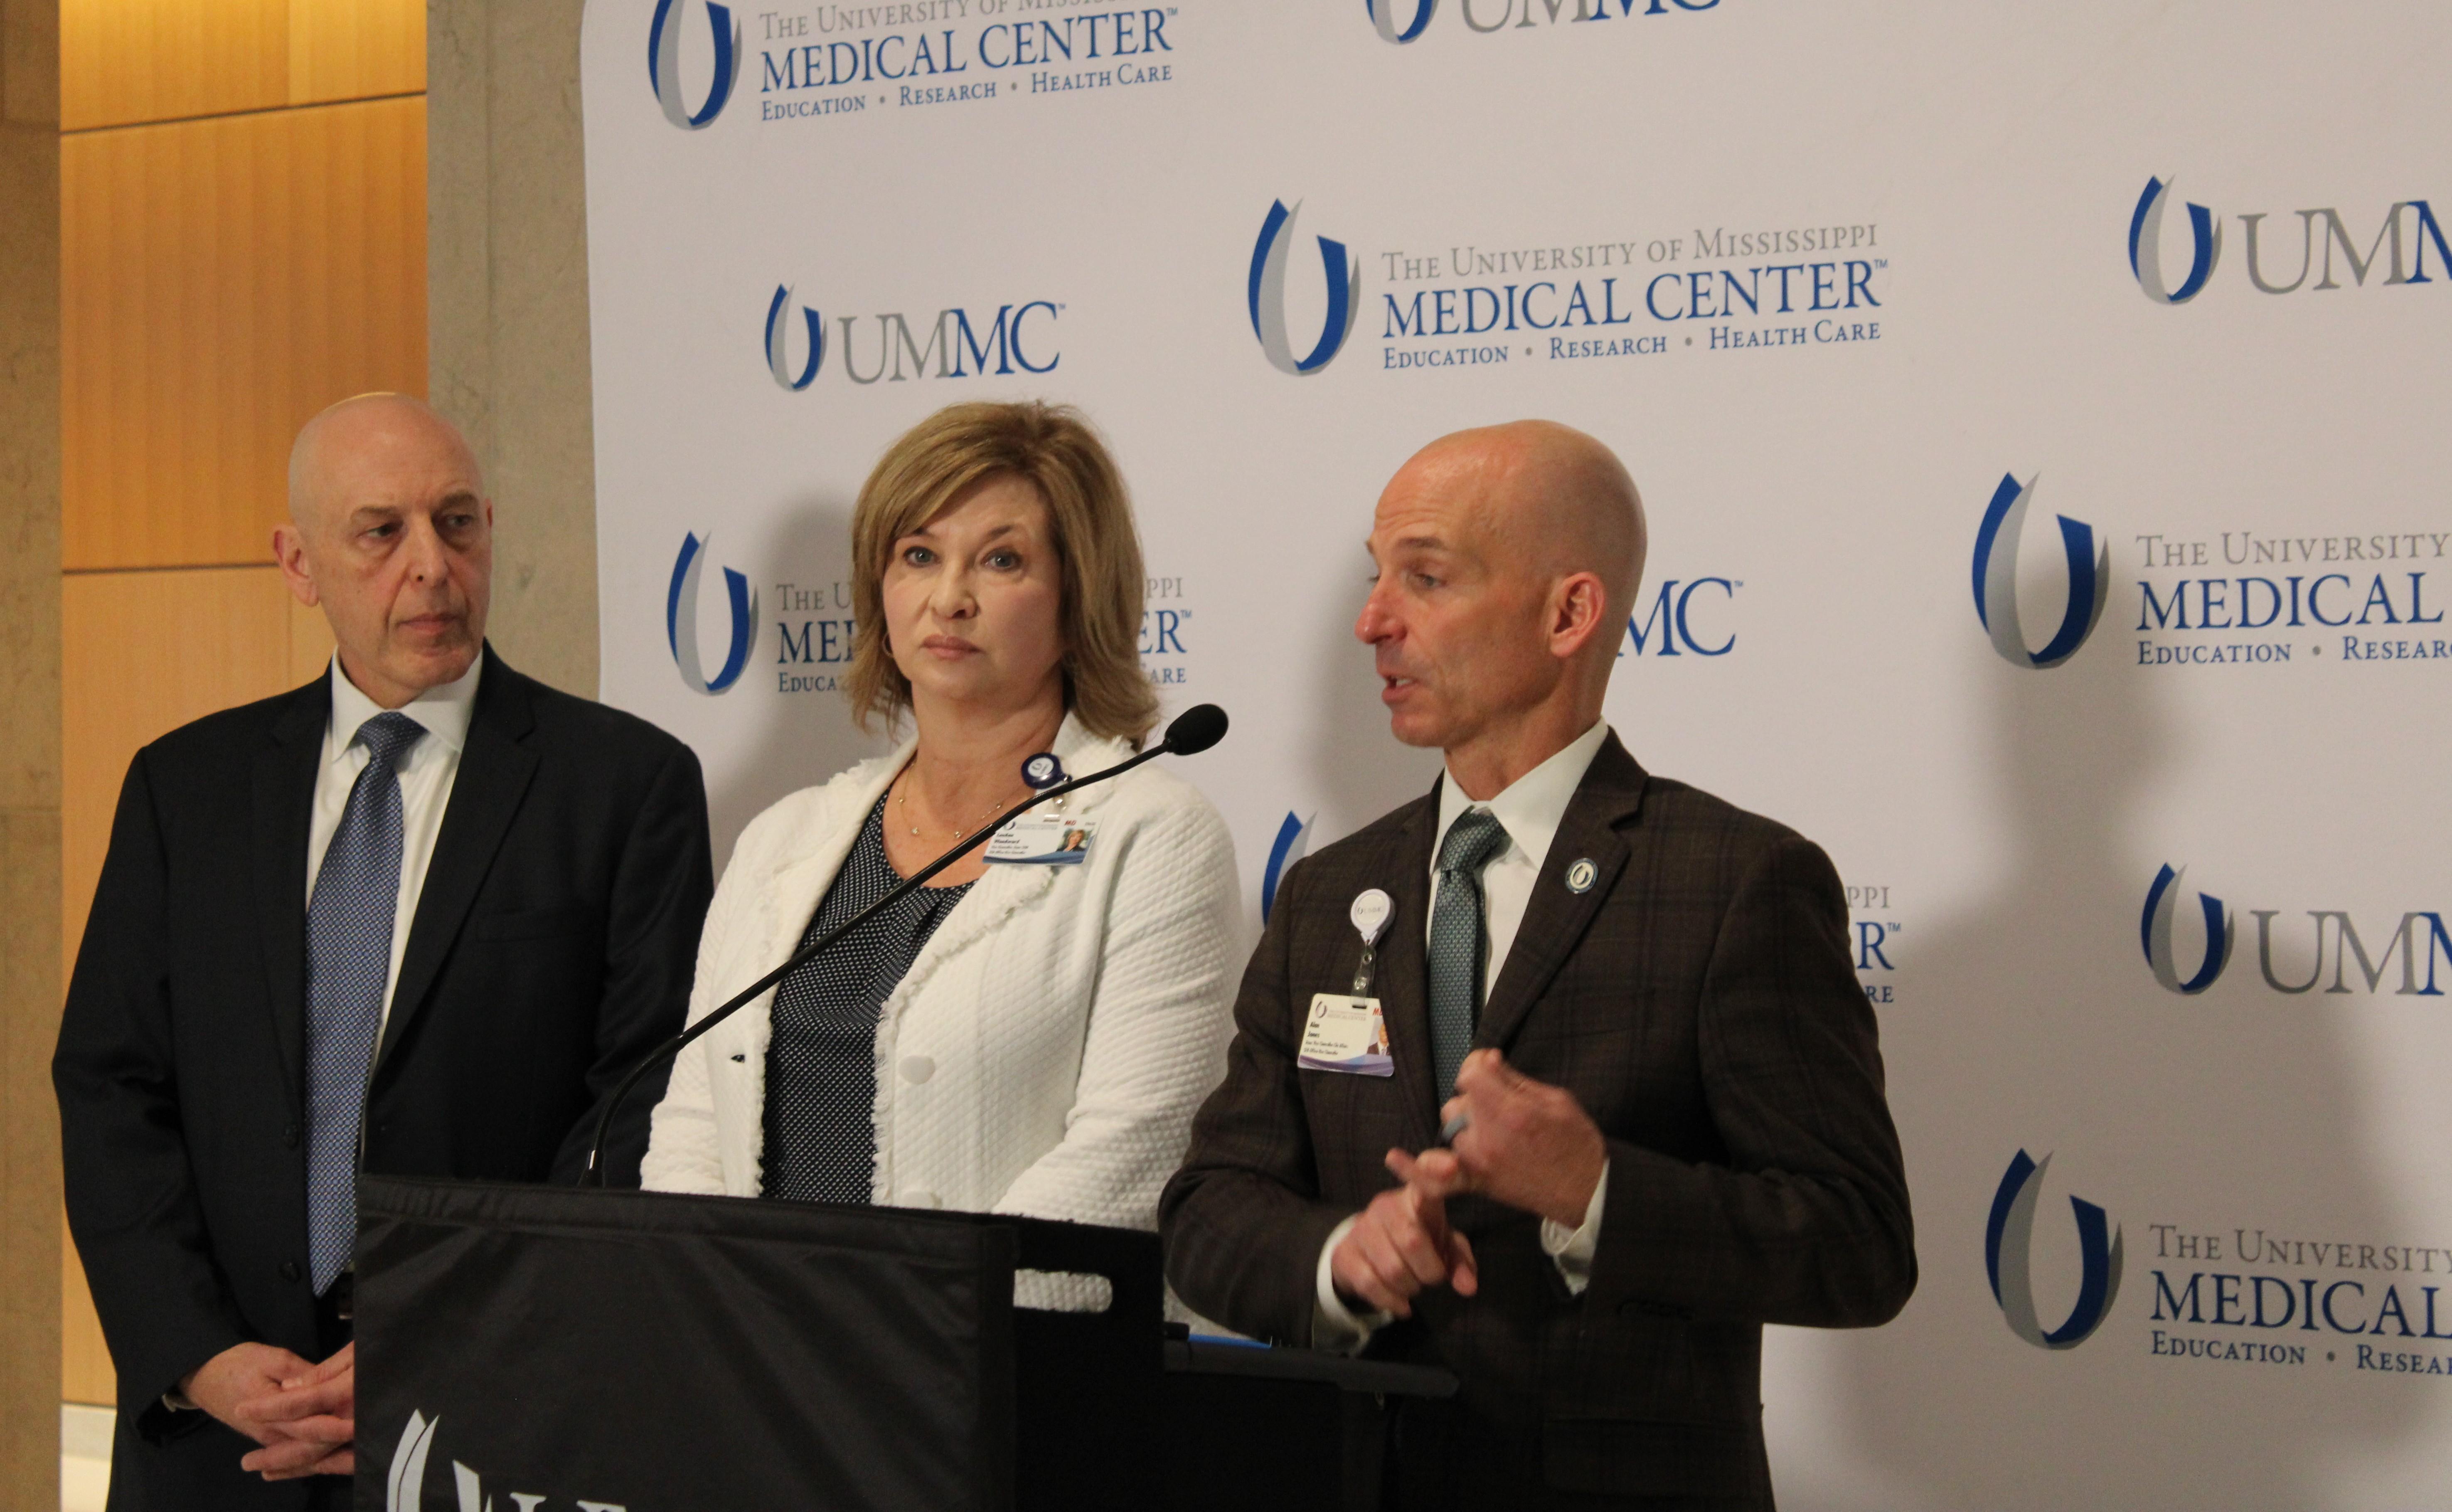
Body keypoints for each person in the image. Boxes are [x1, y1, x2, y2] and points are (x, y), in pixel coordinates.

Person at [1160, 421, 1914, 1510]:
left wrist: (1599, 1190)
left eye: (1424, 578)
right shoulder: (1329, 892)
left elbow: (1857, 1243)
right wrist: (1341, 1255)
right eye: (1377, 580)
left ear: (1567, 612)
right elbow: (1209, 1208)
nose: (1372, 622)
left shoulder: (1737, 884)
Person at [54, 394, 714, 1507]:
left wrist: (448, 1339)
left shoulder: (624, 786)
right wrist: (197, 1351)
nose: (432, 565)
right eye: (381, 531)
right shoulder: (186, 787)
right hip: (223, 1433)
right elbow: (112, 1086)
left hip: (485, 1425)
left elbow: (639, 1105)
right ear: (298, 561)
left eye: (457, 523)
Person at [642, 402, 1239, 1273]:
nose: (949, 598)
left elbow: (1130, 1157)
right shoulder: (784, 839)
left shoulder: (1154, 838)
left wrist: (910, 1331)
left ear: (1078, 601)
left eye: (1002, 561)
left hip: (998, 1373)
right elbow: (693, 1130)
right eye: (919, 555)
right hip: (757, 1366)